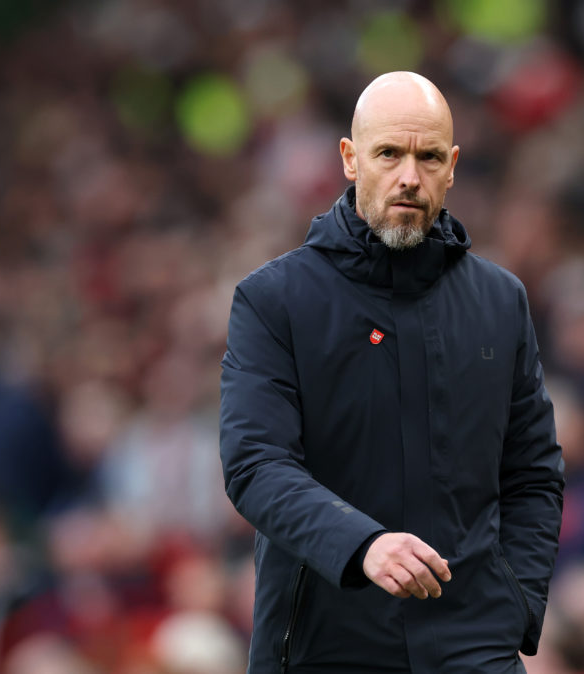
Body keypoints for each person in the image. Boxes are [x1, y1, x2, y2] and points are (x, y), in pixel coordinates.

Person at [219, 71, 565, 674]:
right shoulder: (273, 300)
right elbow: (255, 465)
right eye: (389, 154)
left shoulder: (500, 301)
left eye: (429, 157)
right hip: (321, 648)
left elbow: (533, 475)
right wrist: (363, 544)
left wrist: (516, 604)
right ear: (351, 160)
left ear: (452, 166)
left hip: (474, 648)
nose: (410, 176)